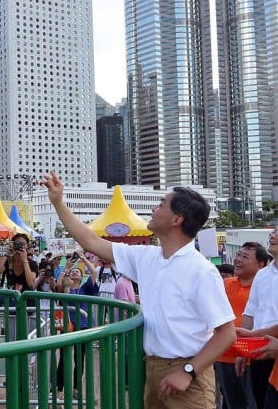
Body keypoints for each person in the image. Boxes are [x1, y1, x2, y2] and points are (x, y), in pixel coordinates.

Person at [43, 170, 235, 409]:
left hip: (189, 375)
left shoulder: (201, 271)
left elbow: (227, 333)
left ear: (177, 220)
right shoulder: (147, 257)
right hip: (152, 368)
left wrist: (188, 371)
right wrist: (59, 203)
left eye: (162, 204)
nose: (155, 209)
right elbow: (91, 241)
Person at [216, 242, 268, 409]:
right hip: (224, 354)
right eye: (238, 255)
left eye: (245, 257)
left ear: (260, 264)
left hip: (252, 356)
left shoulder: (266, 287)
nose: (238, 260)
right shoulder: (224, 284)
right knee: (231, 403)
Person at [235, 232, 278, 409]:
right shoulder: (262, 275)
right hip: (259, 351)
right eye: (274, 230)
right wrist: (243, 348)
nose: (273, 235)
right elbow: (250, 313)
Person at [55, 263, 98, 392]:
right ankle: (59, 387)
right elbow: (58, 284)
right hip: (67, 326)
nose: (74, 273)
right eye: (72, 271)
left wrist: (84, 259)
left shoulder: (86, 288)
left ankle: (76, 388)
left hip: (83, 326)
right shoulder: (65, 288)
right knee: (63, 357)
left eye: (77, 272)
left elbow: (94, 273)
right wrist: (67, 267)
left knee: (79, 358)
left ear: (82, 276)